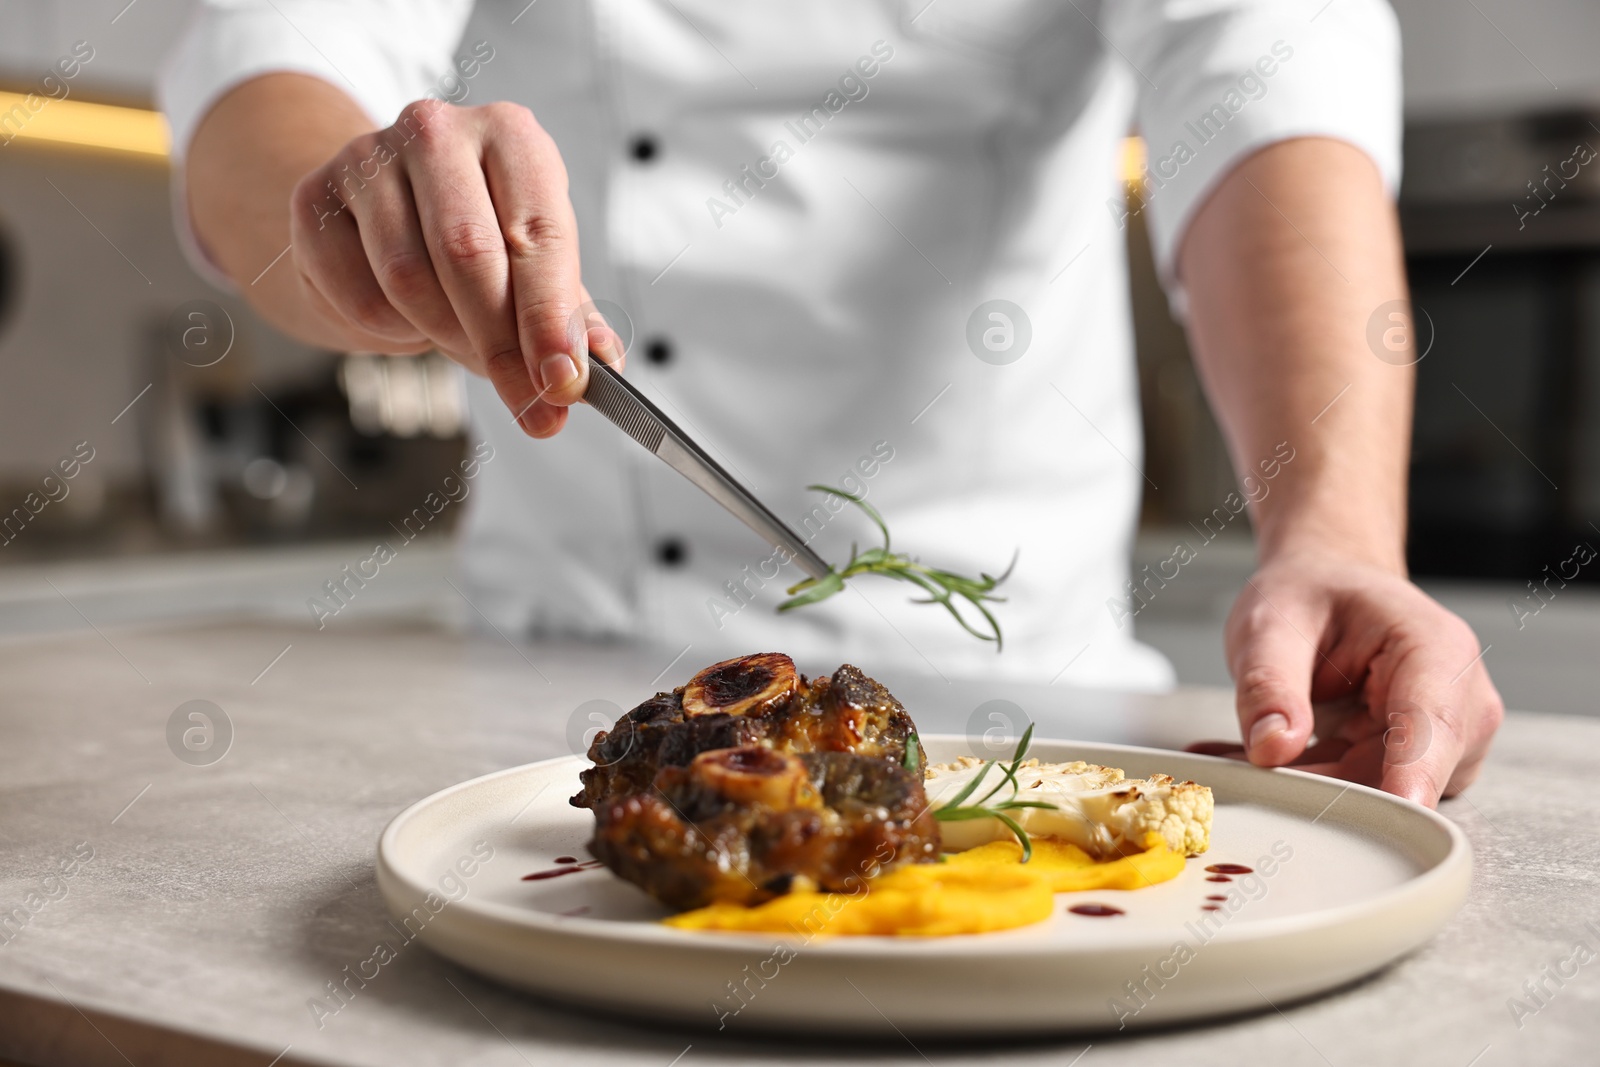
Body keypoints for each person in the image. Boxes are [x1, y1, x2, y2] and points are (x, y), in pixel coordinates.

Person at [160, 0, 1502, 807]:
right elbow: (268, 61)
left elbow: (1269, 77)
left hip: (1016, 700)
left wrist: (1333, 538)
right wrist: (364, 229)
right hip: (539, 695)